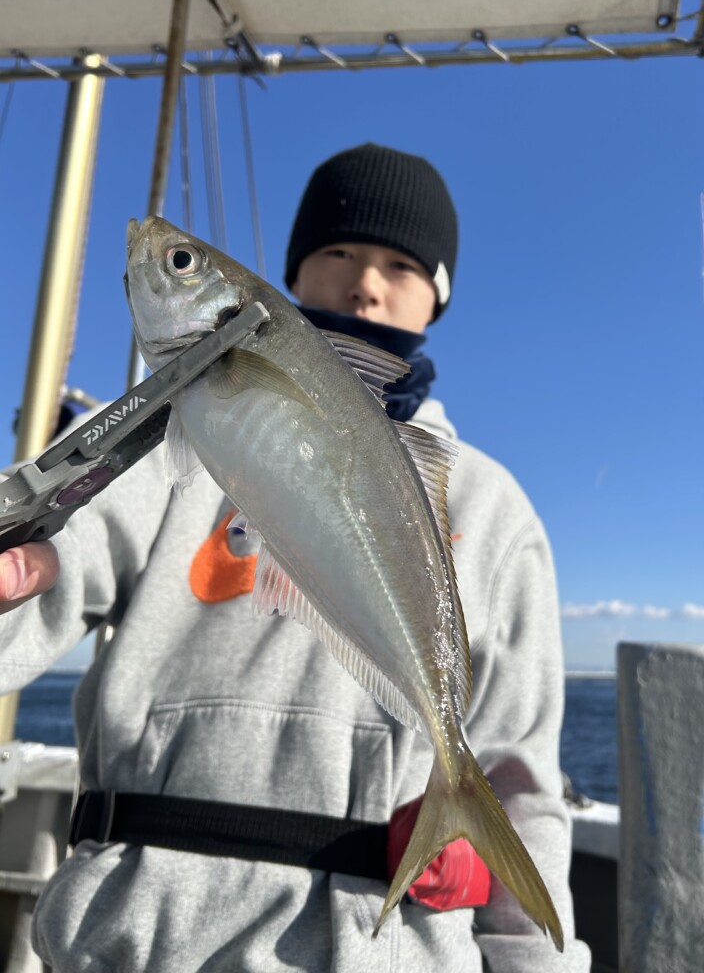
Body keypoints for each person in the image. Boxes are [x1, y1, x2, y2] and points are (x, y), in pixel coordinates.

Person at [0, 143, 591, 972]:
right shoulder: (152, 438)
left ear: (440, 292)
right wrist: (17, 574)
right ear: (290, 273)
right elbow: (59, 558)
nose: (365, 281)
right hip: (131, 941)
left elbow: (520, 777)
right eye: (339, 252)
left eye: (400, 263)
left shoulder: (491, 508)